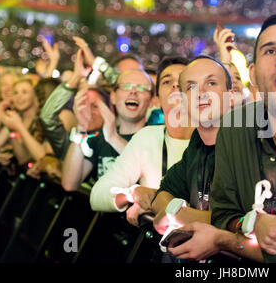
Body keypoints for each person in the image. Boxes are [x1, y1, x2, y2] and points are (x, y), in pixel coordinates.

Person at [171, 14, 276, 263]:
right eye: (270, 51)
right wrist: (251, 223)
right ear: (253, 73)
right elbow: (221, 214)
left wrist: (226, 241)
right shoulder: (234, 128)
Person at [148, 55, 234, 261]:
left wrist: (177, 215)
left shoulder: (248, 142)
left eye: (211, 83)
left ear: (232, 97)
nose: (201, 93)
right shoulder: (197, 143)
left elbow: (239, 222)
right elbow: (163, 193)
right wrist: (174, 210)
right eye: (191, 87)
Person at [90, 56, 194, 226]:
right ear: (157, 99)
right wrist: (133, 194)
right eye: (167, 82)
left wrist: (158, 202)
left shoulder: (214, 140)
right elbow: (97, 195)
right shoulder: (148, 138)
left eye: (182, 80)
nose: (175, 86)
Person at [61, 68, 153, 191]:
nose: (133, 92)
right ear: (113, 97)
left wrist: (113, 138)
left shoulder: (156, 139)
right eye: (126, 86)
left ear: (152, 101)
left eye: (142, 88)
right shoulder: (99, 139)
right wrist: (81, 128)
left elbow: (150, 177)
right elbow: (69, 184)